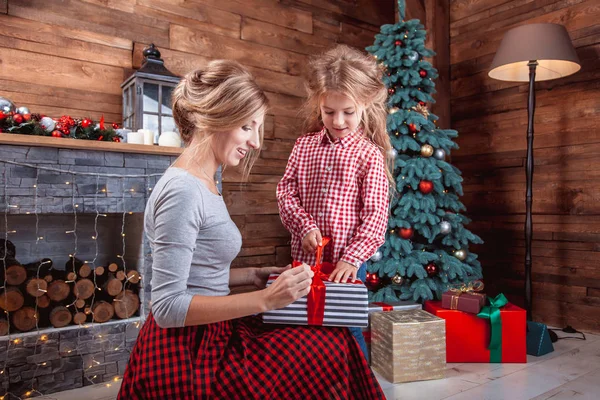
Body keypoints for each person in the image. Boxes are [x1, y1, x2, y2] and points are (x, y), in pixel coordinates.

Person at [117, 60, 385, 399]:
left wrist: (252, 276)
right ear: (218, 118)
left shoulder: (204, 181)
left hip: (210, 333)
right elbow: (167, 307)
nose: (256, 142)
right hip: (189, 349)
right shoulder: (184, 191)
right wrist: (265, 300)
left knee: (334, 339)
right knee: (328, 348)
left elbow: (195, 275)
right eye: (248, 127)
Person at [277, 45, 394, 360]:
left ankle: (358, 385)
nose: (338, 120)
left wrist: (352, 260)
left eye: (348, 112)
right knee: (305, 324)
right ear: (319, 105)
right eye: (329, 112)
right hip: (305, 261)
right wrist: (304, 226)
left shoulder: (369, 155)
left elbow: (375, 218)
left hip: (347, 264)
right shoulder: (303, 147)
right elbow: (286, 191)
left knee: (347, 328)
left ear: (365, 105)